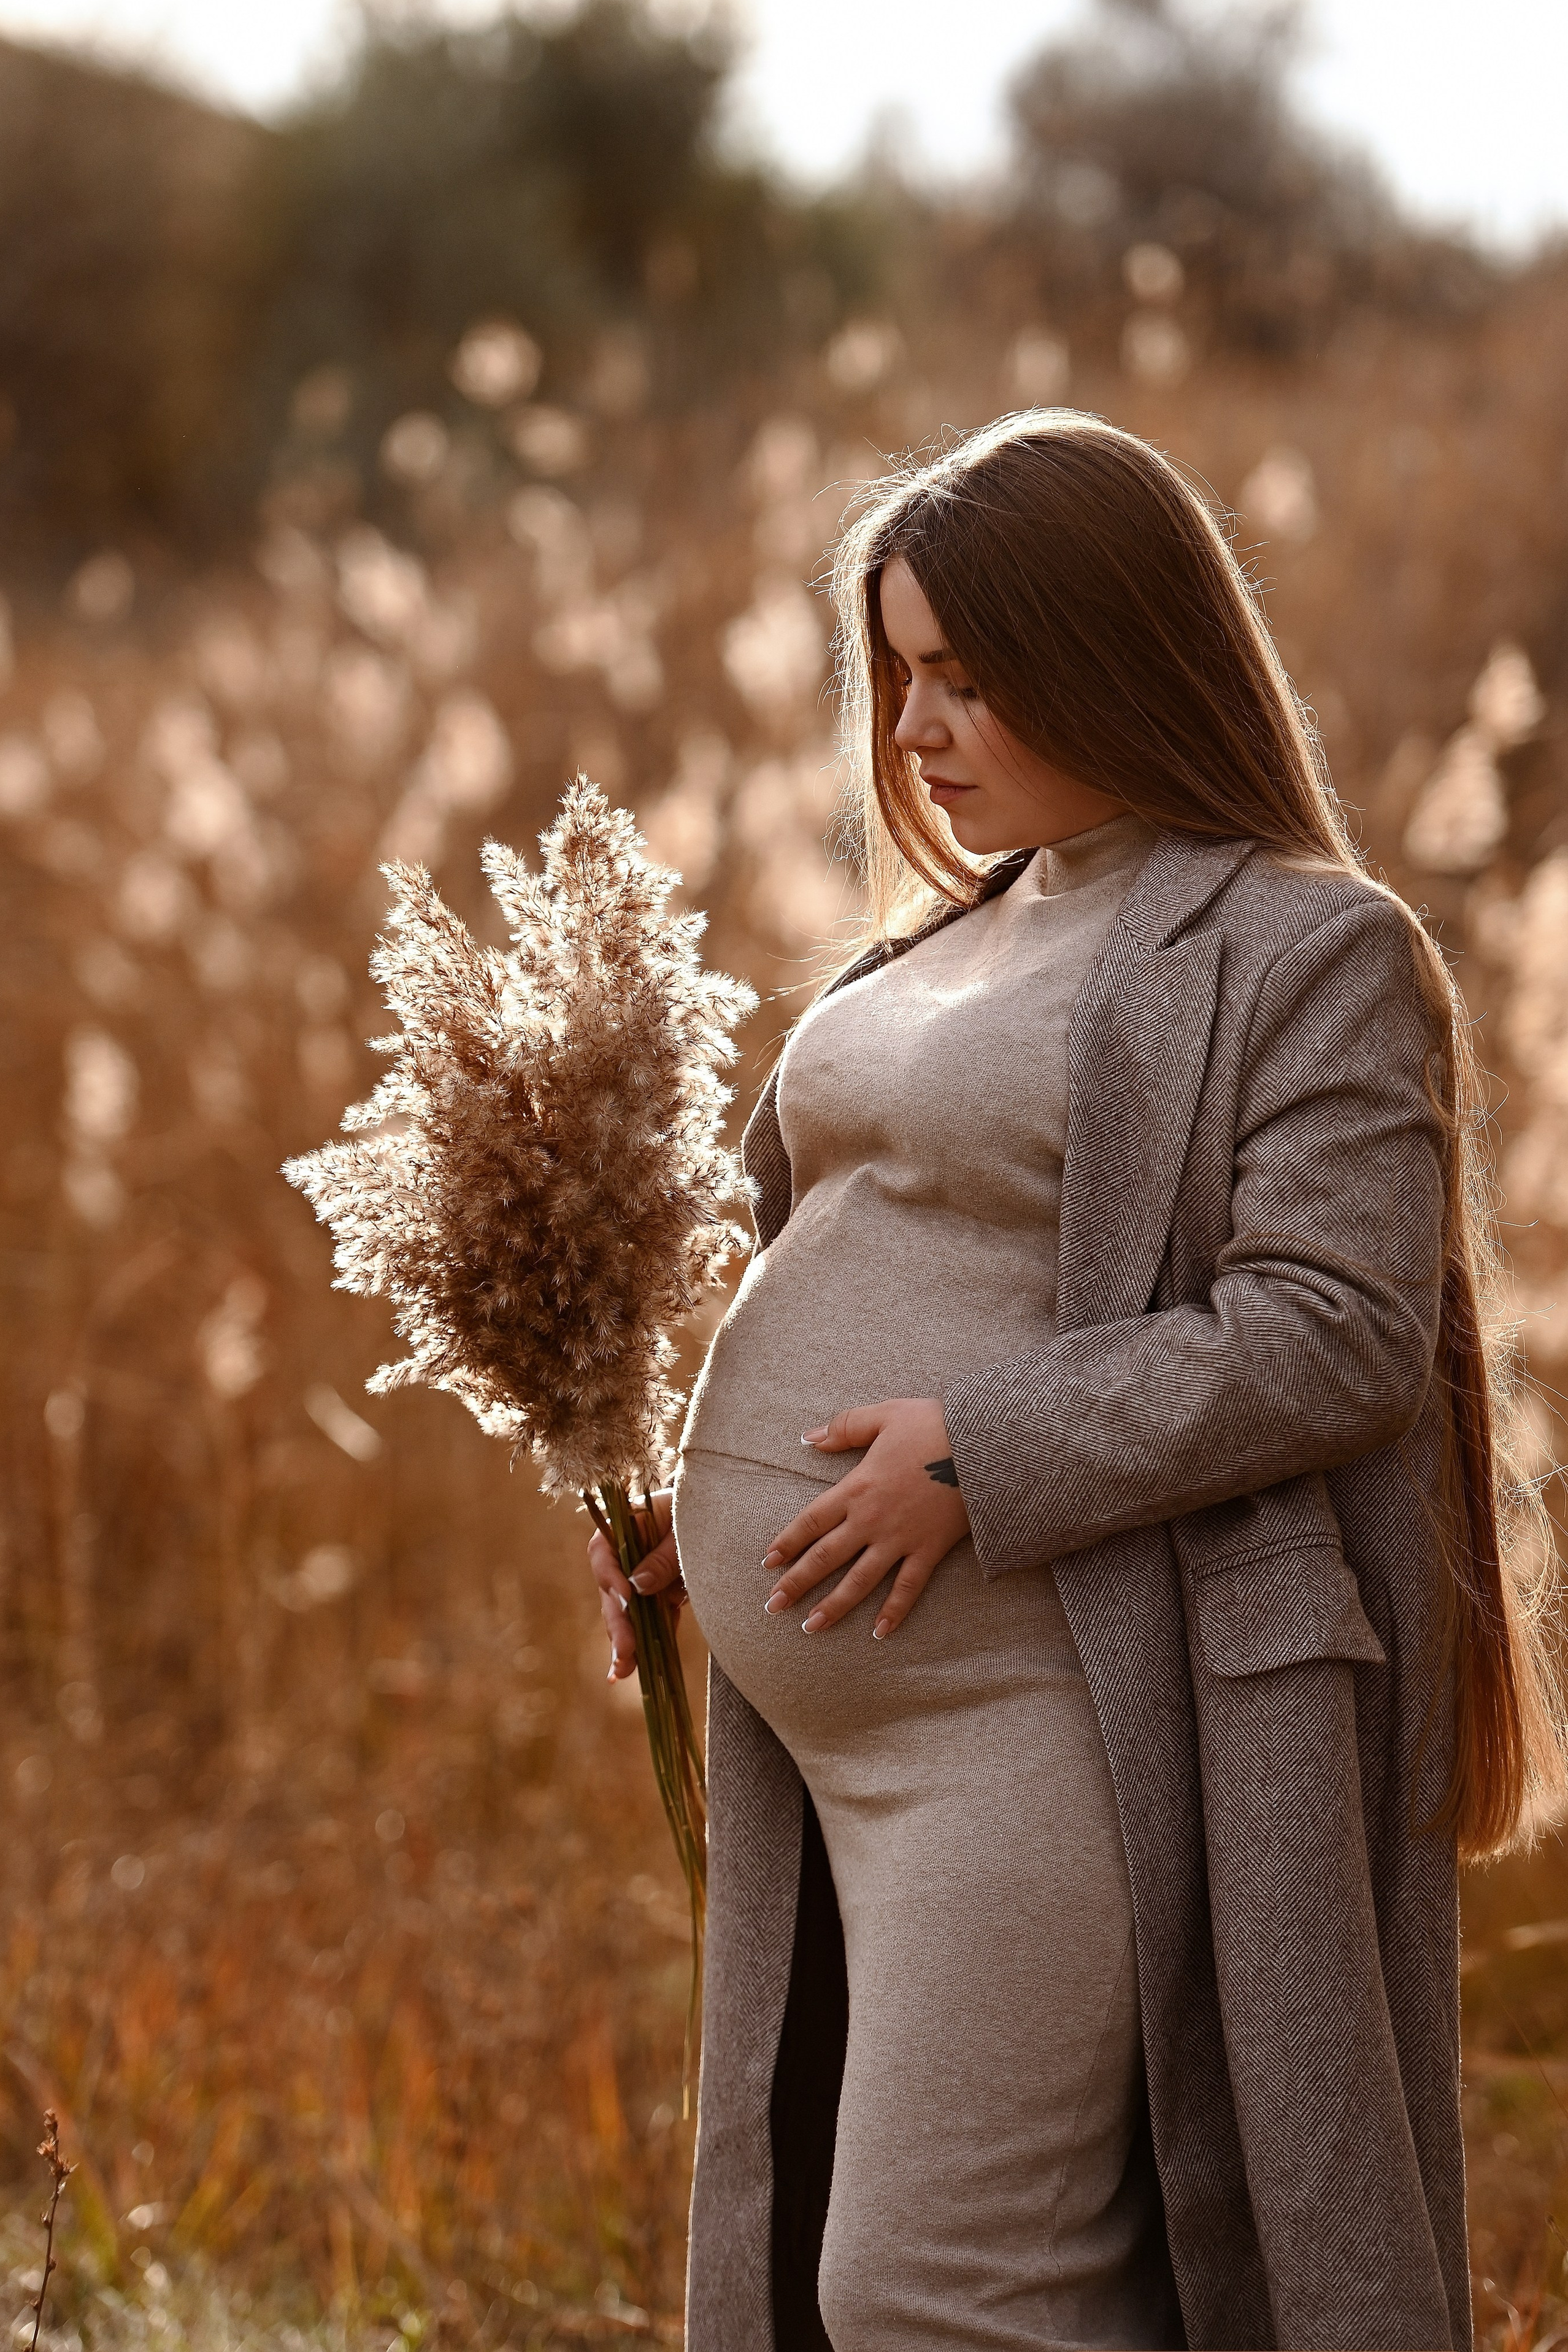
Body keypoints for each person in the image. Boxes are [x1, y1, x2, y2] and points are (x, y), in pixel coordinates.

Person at [585, 411, 1566, 2351]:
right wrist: (687, 1507)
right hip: (823, 1733)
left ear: (1112, 651)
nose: (920, 728)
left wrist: (976, 1452)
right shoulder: (941, 941)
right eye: (903, 674)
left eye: (968, 674)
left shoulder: (1305, 947)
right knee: (943, 2278)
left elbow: (1337, 1329)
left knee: (929, 2294)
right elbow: (828, 1246)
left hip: (1059, 1714)